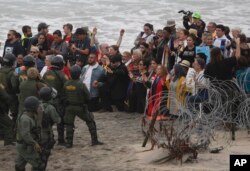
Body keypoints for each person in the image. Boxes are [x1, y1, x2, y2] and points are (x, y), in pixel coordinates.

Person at [63, 65, 103, 148]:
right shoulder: (81, 84)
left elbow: (63, 95)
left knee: (69, 125)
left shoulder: (66, 84)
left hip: (69, 107)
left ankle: (69, 143)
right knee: (90, 121)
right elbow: (88, 97)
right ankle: (94, 140)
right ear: (79, 74)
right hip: (80, 107)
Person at [15, 96, 43, 171]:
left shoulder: (30, 115)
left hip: (25, 144)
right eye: (37, 106)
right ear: (33, 108)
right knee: (38, 164)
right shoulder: (25, 119)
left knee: (19, 164)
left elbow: (36, 128)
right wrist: (35, 143)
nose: (39, 107)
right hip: (25, 145)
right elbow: (25, 135)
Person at [39, 87, 61, 169]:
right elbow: (57, 120)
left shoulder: (37, 104)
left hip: (36, 131)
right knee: (45, 154)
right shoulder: (50, 107)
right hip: (46, 132)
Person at [0, 54, 19, 127]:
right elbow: (15, 86)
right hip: (10, 97)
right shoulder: (12, 73)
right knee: (15, 114)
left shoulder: (0, 70)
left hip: (1, 96)